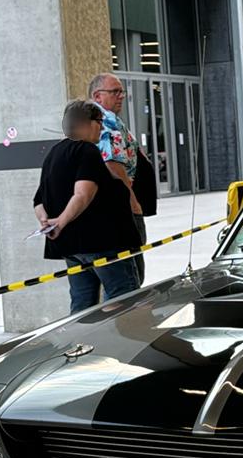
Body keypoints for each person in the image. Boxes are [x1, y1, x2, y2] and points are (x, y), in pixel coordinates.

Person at [34, 101, 141, 313]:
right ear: (87, 123)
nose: (102, 128)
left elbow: (38, 201)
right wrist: (61, 222)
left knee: (82, 303)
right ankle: (118, 345)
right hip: (102, 241)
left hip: (71, 247)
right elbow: (83, 194)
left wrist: (46, 221)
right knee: (123, 300)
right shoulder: (86, 151)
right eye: (99, 122)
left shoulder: (53, 153)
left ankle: (80, 344)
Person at [87, 73, 154, 282]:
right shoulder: (104, 124)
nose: (121, 96)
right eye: (115, 91)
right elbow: (112, 164)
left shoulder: (102, 121)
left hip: (106, 213)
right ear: (98, 96)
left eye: (121, 91)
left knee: (88, 293)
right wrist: (132, 202)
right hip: (121, 209)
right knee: (128, 283)